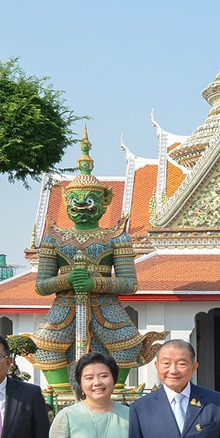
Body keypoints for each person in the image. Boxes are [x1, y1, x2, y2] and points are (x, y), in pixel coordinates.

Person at [30, 134, 166, 390]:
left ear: (105, 203)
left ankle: (114, 392)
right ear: (66, 202)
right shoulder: (55, 239)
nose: (81, 206)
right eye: (75, 201)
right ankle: (62, 395)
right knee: (45, 349)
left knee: (128, 346)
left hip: (106, 306)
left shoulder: (116, 237)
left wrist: (96, 283)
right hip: (66, 304)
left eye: (90, 200)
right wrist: (66, 280)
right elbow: (41, 285)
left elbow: (129, 284)